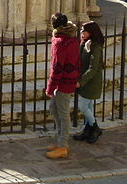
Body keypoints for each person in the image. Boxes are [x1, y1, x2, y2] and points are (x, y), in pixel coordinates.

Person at [45, 12, 80, 159]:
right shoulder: (70, 38)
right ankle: (60, 139)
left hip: (63, 81)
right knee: (54, 108)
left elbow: (57, 66)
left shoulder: (61, 42)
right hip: (68, 78)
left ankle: (63, 145)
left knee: (63, 113)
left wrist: (50, 87)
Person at [73, 21, 105, 144]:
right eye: (81, 30)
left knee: (83, 106)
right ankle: (88, 130)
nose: (82, 33)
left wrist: (80, 82)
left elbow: (93, 68)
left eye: (84, 31)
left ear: (91, 33)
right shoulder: (85, 44)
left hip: (91, 82)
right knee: (89, 107)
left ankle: (95, 127)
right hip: (85, 80)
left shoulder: (95, 47)